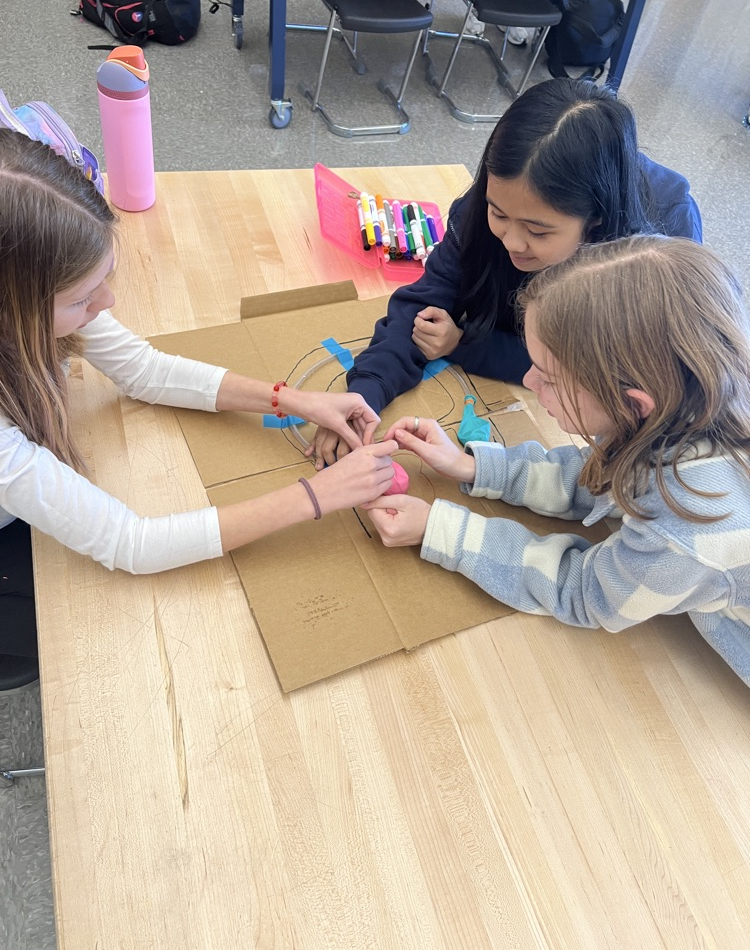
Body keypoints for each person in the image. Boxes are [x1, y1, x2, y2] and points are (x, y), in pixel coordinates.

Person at [0, 129, 394, 691]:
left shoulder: (39, 303)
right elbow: (131, 544)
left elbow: (145, 371)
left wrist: (295, 399)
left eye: (105, 279)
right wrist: (320, 495)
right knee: (89, 637)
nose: (106, 303)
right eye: (82, 298)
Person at [363, 235, 750, 687]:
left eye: (546, 378)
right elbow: (599, 475)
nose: (527, 379)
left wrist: (441, 529)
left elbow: (585, 593)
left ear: (633, 404)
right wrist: (474, 467)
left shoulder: (687, 532)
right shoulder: (678, 404)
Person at [308, 78, 703, 467]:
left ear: (596, 219)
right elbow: (425, 303)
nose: (511, 242)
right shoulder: (486, 206)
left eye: (537, 230)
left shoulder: (657, 245)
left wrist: (466, 345)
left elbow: (613, 373)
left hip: (587, 433)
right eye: (498, 214)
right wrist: (366, 391)